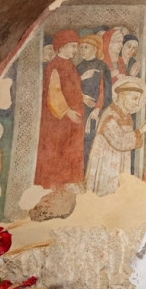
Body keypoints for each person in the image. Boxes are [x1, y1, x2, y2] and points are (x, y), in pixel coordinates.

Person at [85, 77, 146, 196]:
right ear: (123, 96)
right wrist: (142, 130)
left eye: (138, 99)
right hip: (107, 162)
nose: (137, 103)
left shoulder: (125, 115)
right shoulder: (111, 114)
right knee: (108, 194)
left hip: (119, 160)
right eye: (134, 98)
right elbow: (120, 141)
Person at [35, 29, 85, 189]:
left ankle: (69, 182)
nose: (75, 50)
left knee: (72, 148)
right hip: (58, 120)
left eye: (76, 46)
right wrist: (66, 111)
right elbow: (54, 92)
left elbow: (71, 88)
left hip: (73, 117)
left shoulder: (70, 65)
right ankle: (54, 185)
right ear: (62, 46)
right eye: (72, 46)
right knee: (58, 149)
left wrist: (82, 98)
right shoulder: (55, 66)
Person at [77, 34, 113, 168]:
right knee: (79, 142)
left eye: (86, 47)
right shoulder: (78, 67)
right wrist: (81, 96)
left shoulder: (102, 66)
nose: (82, 50)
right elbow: (72, 88)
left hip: (96, 111)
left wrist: (98, 109)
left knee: (92, 142)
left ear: (94, 48)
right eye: (81, 47)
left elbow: (106, 90)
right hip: (80, 108)